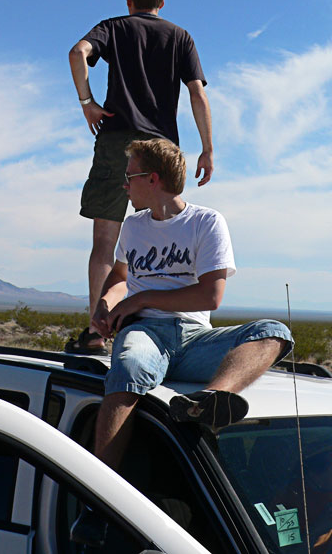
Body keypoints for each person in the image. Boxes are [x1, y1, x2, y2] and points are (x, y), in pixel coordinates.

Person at [70, 137, 293, 547]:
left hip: (195, 338)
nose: (124, 185)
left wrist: (141, 296)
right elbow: (120, 276)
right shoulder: (134, 226)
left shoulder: (206, 222)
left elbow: (210, 297)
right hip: (145, 333)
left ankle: (209, 401)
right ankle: (96, 505)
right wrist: (106, 301)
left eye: (129, 177)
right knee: (131, 365)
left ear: (152, 179)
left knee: (273, 332)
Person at [67, 0, 213, 354]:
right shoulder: (180, 37)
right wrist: (207, 148)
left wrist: (87, 103)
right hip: (162, 149)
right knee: (166, 235)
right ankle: (162, 327)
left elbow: (77, 53)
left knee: (104, 242)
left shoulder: (114, 27)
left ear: (128, 1)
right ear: (161, 3)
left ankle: (97, 333)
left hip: (118, 140)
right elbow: (197, 94)